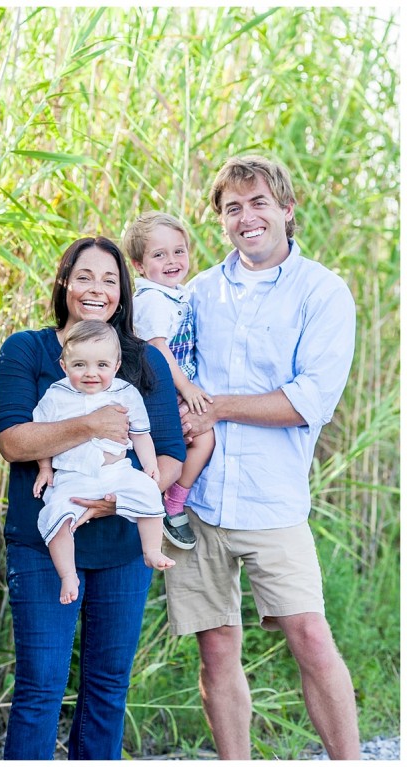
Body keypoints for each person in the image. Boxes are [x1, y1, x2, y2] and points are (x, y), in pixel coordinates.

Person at [164, 155, 360, 759]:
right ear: (222, 221)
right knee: (216, 646)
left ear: (286, 210)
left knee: (308, 633)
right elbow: (166, 373)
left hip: (272, 502)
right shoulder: (194, 294)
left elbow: (309, 401)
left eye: (258, 204)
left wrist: (215, 406)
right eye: (232, 208)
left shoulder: (322, 292)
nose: (246, 218)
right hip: (194, 503)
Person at [0, 236, 186, 760]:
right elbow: (13, 441)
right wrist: (91, 424)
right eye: (84, 277)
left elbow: (167, 455)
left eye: (109, 279)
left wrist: (117, 501)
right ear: (64, 284)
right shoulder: (27, 350)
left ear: (123, 292)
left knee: (107, 688)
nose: (95, 289)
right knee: (40, 686)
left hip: (123, 546)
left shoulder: (142, 362)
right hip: (45, 541)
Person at [32, 320, 173, 605]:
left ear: (116, 365)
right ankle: (68, 575)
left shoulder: (125, 393)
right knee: (57, 514)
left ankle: (151, 550)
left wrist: (149, 465)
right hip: (72, 475)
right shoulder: (55, 396)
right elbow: (41, 435)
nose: (91, 373)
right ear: (64, 365)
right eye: (80, 365)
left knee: (148, 492)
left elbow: (140, 433)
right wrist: (45, 469)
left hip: (116, 471)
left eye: (101, 365)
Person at [124, 212, 214, 550]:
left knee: (198, 438)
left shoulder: (175, 295)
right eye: (159, 255)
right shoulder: (152, 301)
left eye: (179, 251)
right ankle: (171, 503)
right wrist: (186, 388)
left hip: (172, 389)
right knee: (204, 439)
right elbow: (159, 350)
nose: (172, 261)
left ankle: (163, 500)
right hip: (162, 392)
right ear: (139, 265)